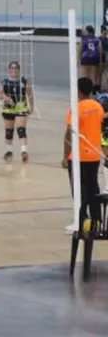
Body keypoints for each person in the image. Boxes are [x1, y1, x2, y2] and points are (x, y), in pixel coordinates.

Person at [64, 77, 105, 234]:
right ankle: (97, 220)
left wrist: (65, 154)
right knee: (93, 186)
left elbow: (68, 133)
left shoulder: (76, 109)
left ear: (78, 91)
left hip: (78, 156)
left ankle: (81, 221)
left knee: (78, 190)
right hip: (94, 155)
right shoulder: (98, 107)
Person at [0, 61, 34, 163]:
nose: (14, 70)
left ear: (19, 70)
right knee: (9, 131)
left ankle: (23, 152)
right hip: (8, 108)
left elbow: (30, 94)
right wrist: (6, 98)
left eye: (16, 68)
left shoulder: (24, 81)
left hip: (21, 107)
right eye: (12, 68)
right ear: (9, 70)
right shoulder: (4, 81)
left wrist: (32, 106)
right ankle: (9, 152)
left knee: (21, 129)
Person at [79, 25, 101, 92]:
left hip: (85, 58)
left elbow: (80, 49)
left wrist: (78, 59)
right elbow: (100, 50)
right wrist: (100, 61)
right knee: (93, 76)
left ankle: (86, 91)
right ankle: (92, 91)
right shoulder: (98, 40)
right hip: (94, 59)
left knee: (86, 76)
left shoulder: (84, 39)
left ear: (88, 31)